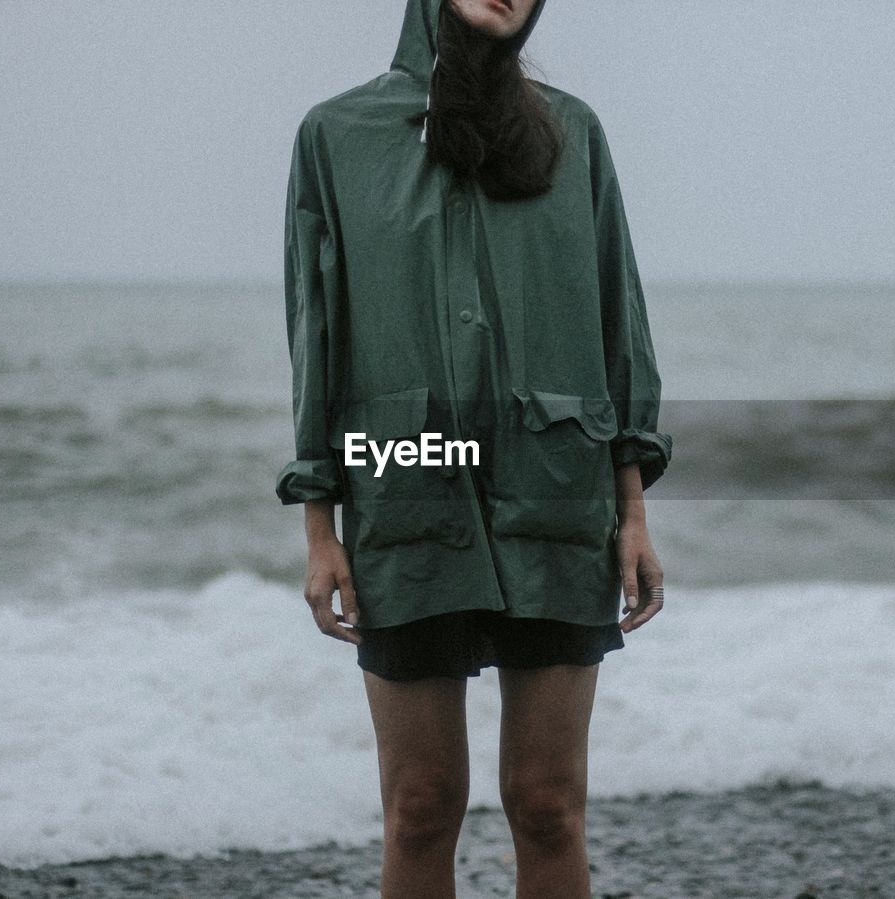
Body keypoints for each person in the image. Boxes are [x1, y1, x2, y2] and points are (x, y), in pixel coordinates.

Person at [275, 0, 672, 895]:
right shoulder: (337, 136)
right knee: (420, 803)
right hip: (404, 497)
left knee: (548, 802)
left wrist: (634, 510)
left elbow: (620, 321)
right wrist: (320, 525)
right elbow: (317, 336)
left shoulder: (573, 132)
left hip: (558, 493)